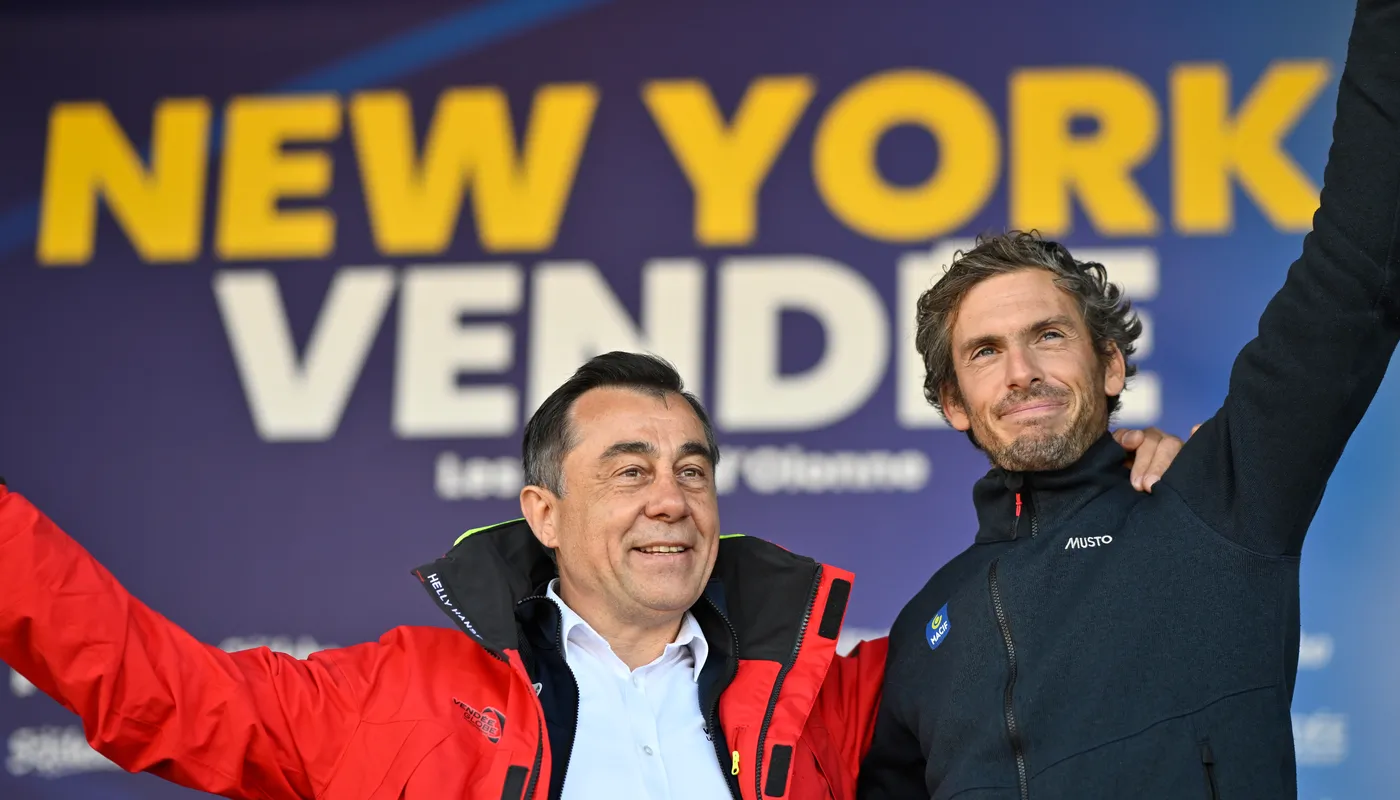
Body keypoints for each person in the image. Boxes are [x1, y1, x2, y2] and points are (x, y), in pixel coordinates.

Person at [0, 350, 1185, 799]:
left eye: (691, 467)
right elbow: (146, 681)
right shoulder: (390, 696)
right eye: (628, 470)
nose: (672, 496)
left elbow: (1034, 636)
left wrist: (1101, 485)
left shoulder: (829, 690)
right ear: (545, 512)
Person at [856, 2, 1400, 797]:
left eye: (1048, 336)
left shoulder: (1219, 500)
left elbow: (1361, 267)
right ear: (954, 405)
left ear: (1111, 364)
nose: (1021, 373)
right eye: (985, 352)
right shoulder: (921, 634)